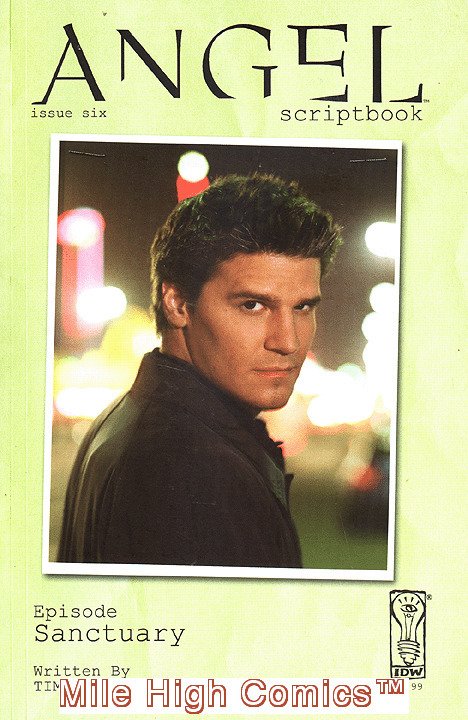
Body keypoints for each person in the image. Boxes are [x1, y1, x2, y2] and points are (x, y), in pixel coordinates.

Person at [58, 173, 341, 567]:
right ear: (177, 303)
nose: (287, 341)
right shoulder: (192, 465)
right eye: (252, 306)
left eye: (303, 307)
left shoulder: (123, 418)